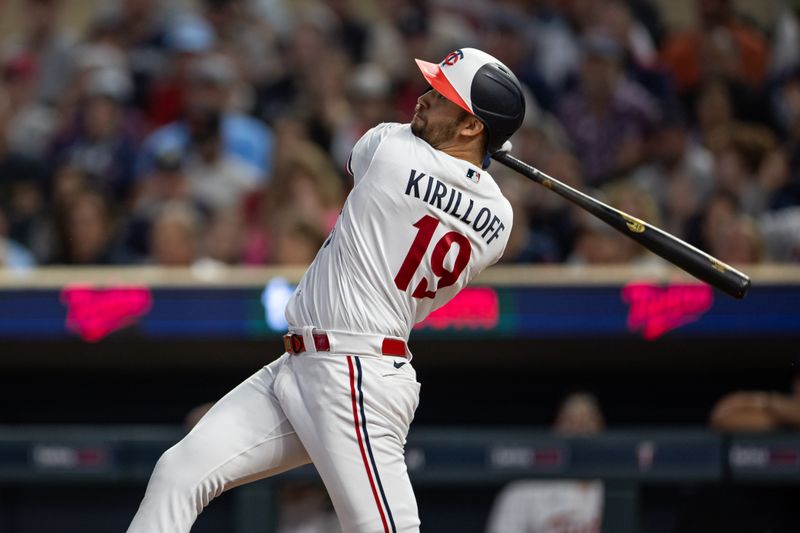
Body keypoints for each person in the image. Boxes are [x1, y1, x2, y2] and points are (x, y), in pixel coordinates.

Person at [126, 47, 525, 532]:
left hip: (355, 372)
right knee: (180, 471)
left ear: (471, 126)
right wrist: (482, 151)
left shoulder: (390, 151)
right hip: (306, 365)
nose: (421, 99)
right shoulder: (499, 222)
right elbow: (458, 181)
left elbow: (380, 156)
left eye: (440, 96)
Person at [485, 392, 606, 533]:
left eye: (588, 422)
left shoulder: (622, 489)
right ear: (555, 430)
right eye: (570, 422)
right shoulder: (523, 491)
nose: (579, 430)